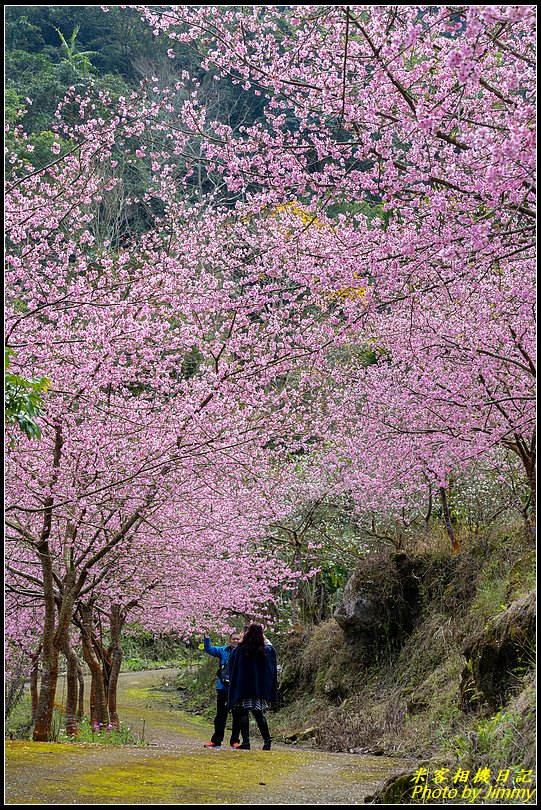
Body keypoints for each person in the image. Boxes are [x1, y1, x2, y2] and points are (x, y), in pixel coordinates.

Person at [227, 623, 277, 750]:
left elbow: (232, 662)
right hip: (258, 689)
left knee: (243, 713)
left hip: (244, 688)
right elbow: (272, 653)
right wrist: (265, 639)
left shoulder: (240, 650)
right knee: (259, 714)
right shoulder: (264, 651)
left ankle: (246, 742)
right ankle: (267, 742)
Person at [202, 631, 241, 749]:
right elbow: (209, 649)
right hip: (223, 687)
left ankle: (235, 741)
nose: (235, 641)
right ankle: (216, 741)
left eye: (238, 639)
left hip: (237, 688)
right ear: (229, 640)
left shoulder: (244, 652)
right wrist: (207, 637)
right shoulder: (223, 651)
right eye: (233, 639)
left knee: (237, 716)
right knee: (220, 715)